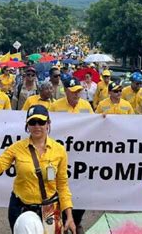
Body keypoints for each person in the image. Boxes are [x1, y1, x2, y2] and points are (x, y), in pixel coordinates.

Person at [0, 105, 76, 233]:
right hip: (21, 208)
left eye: (41, 122)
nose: (37, 126)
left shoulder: (59, 150)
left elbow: (63, 186)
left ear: (48, 124)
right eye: (32, 122)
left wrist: (69, 216)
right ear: (27, 125)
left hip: (50, 210)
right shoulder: (17, 148)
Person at [50, 77, 92, 233]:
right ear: (66, 91)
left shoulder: (86, 106)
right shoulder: (55, 106)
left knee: (81, 190)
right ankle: (61, 221)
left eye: (79, 92)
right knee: (59, 187)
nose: (77, 95)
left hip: (80, 156)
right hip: (60, 155)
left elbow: (94, 127)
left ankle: (77, 220)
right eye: (73, 92)